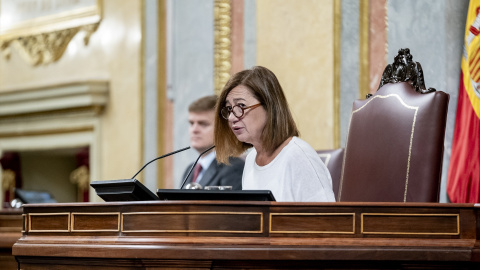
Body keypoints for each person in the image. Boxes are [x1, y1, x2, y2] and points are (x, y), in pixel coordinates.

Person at [214, 66, 335, 202]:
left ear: (269, 107)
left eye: (241, 106)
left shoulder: (298, 156)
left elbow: (327, 219)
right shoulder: (251, 158)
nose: (231, 118)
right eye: (229, 109)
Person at [182, 95, 244, 190]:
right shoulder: (190, 169)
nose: (194, 130)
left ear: (223, 129)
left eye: (203, 124)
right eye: (191, 123)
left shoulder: (233, 167)